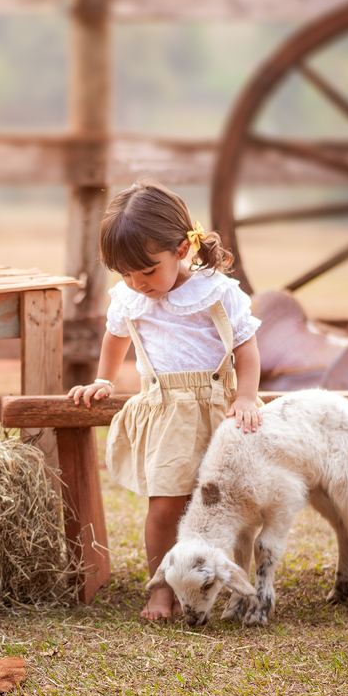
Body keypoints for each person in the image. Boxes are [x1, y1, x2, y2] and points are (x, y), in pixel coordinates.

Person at [69, 178, 262, 621]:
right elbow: (116, 337)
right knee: (165, 507)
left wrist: (247, 398)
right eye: (126, 274)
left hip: (219, 410)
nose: (138, 283)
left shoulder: (217, 292)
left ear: (181, 250)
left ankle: (230, 586)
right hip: (168, 414)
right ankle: (161, 591)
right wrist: (103, 379)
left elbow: (246, 348)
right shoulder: (130, 299)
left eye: (147, 271)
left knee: (226, 504)